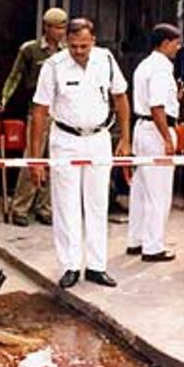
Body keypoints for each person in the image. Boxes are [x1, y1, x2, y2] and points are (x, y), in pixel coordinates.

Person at [30, 18, 131, 289]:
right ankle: (70, 265)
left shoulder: (106, 59)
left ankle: (97, 266)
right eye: (73, 46)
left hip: (99, 138)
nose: (78, 51)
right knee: (66, 205)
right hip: (65, 139)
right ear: (66, 43)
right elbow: (39, 112)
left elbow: (120, 98)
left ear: (93, 41)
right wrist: (36, 157)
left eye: (84, 46)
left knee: (98, 204)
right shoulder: (53, 66)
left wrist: (126, 139)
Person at [0, 8, 68, 227]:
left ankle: (45, 207)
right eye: (57, 27)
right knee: (33, 158)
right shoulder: (31, 50)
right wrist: (4, 98)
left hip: (63, 112)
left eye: (63, 27)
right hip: (38, 110)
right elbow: (15, 76)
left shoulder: (68, 52)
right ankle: (20, 207)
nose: (60, 32)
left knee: (54, 161)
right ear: (46, 27)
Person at [126, 24, 181, 262]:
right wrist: (167, 138)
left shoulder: (144, 65)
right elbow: (157, 106)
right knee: (158, 191)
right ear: (166, 42)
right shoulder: (160, 69)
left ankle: (136, 240)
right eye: (176, 43)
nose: (178, 48)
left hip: (143, 128)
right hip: (157, 130)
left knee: (141, 189)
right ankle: (153, 246)